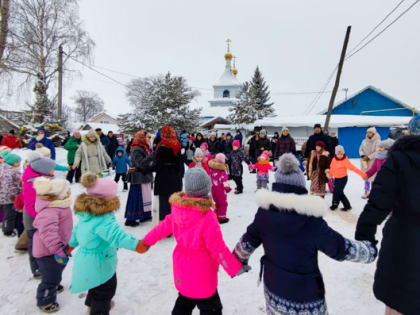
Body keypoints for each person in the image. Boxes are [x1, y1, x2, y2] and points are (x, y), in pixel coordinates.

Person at [234, 153, 378, 315]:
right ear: (301, 187)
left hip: (274, 288)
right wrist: (369, 251)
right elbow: (339, 247)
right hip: (305, 299)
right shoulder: (310, 220)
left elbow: (247, 242)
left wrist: (236, 261)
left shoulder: (264, 213)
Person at [140, 168, 245, 315]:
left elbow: (161, 229)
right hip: (203, 272)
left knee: (185, 298)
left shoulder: (177, 210)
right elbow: (217, 248)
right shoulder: (207, 216)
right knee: (211, 306)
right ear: (206, 190)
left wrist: (146, 242)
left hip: (182, 268)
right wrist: (234, 267)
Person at [355, 116, 420, 315]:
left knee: (399, 298)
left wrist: (365, 233)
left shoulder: (400, 158)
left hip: (404, 239)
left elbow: (379, 200)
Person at [69, 173, 143, 315]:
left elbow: (76, 231)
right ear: (106, 199)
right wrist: (136, 245)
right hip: (99, 260)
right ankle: (99, 310)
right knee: (106, 289)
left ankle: (92, 305)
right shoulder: (102, 218)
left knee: (95, 284)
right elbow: (117, 236)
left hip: (87, 259)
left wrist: (70, 244)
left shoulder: (87, 213)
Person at [32, 177, 73, 313]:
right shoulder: (50, 211)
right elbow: (48, 234)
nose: (69, 191)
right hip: (48, 251)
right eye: (67, 190)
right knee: (50, 277)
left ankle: (54, 283)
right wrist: (58, 249)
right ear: (59, 194)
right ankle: (45, 300)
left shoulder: (59, 205)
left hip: (57, 249)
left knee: (57, 270)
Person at [22, 152, 57, 278]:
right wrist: (42, 218)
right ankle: (37, 268)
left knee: (42, 244)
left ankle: (43, 266)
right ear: (44, 171)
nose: (54, 170)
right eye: (52, 169)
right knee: (34, 246)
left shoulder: (42, 181)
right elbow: (31, 205)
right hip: (34, 220)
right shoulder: (33, 184)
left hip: (41, 218)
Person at [125, 131, 154, 227]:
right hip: (138, 177)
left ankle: (144, 215)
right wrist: (151, 157)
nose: (148, 139)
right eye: (147, 137)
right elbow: (140, 163)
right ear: (141, 138)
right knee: (137, 197)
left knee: (145, 196)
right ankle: (131, 218)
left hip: (144, 176)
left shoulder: (144, 148)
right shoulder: (137, 149)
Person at [154, 126, 182, 223]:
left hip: (163, 176)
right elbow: (179, 162)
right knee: (174, 201)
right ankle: (175, 222)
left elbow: (158, 164)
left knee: (164, 202)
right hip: (175, 175)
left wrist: (144, 169)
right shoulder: (177, 144)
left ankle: (166, 225)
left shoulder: (162, 145)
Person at [327, 145, 366, 211]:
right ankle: (339, 204)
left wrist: (363, 174)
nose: (340, 155)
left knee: (338, 191)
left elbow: (354, 168)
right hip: (336, 178)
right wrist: (330, 174)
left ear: (343, 153)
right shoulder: (334, 159)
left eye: (341, 154)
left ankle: (338, 205)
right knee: (338, 192)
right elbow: (332, 168)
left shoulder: (345, 160)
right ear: (336, 153)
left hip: (343, 179)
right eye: (338, 154)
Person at [0, 151, 21, 236]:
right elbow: (7, 186)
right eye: (17, 162)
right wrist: (13, 196)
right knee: (9, 215)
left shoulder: (4, 168)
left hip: (3, 195)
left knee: (4, 211)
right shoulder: (9, 172)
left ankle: (5, 224)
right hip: (8, 197)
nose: (19, 163)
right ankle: (7, 230)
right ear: (12, 162)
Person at [359, 127, 381, 199]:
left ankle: (373, 192)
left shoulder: (378, 141)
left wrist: (369, 157)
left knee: (373, 178)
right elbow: (360, 149)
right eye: (367, 132)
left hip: (373, 162)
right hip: (365, 162)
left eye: (370, 132)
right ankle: (366, 191)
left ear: (374, 133)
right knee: (366, 177)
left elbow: (377, 151)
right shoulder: (364, 141)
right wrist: (363, 155)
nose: (368, 134)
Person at [208, 153, 231, 224]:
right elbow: (224, 181)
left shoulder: (211, 168)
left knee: (217, 203)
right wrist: (228, 188)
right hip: (220, 190)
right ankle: (222, 218)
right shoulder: (222, 170)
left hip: (213, 190)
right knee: (223, 203)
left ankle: (215, 215)